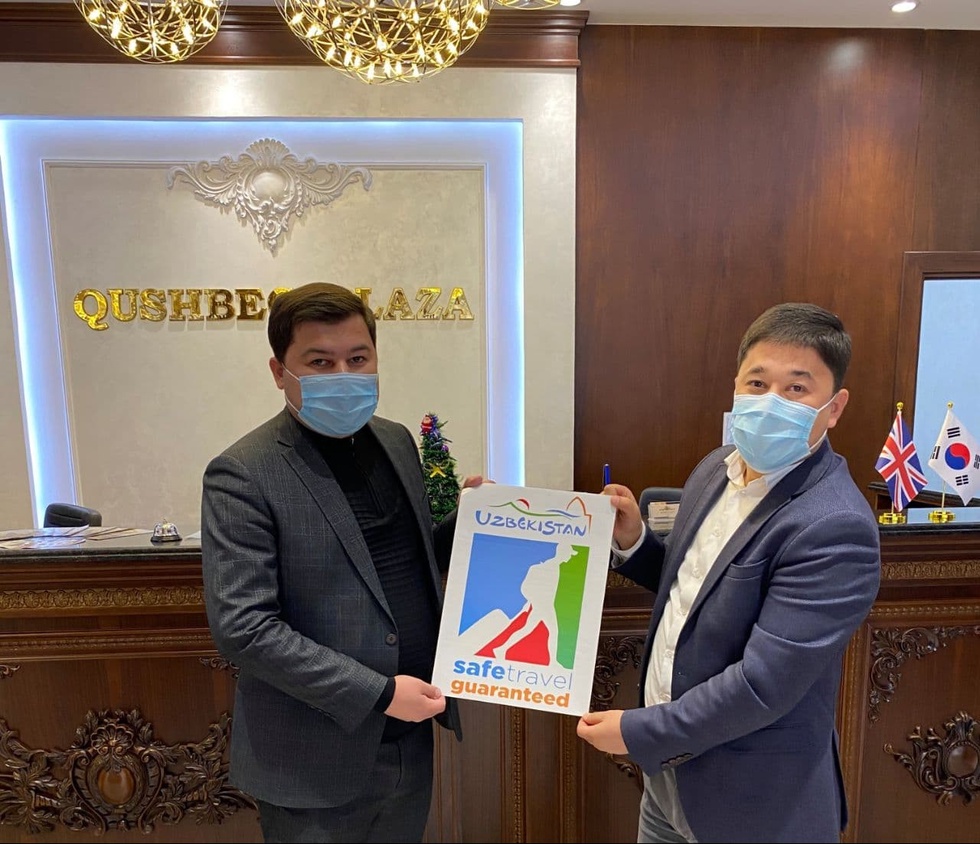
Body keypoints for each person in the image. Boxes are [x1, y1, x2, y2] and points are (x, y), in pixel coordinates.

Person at [577, 303, 881, 844]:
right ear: (735, 387)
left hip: (753, 802)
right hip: (669, 785)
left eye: (796, 388)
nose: (771, 402)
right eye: (757, 383)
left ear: (834, 407)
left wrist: (640, 731)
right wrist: (635, 541)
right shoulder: (715, 469)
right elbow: (697, 588)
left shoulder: (834, 526)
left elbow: (762, 685)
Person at [201, 282, 482, 843]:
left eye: (357, 359)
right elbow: (244, 628)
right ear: (279, 371)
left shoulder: (396, 441)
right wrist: (379, 694)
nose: (344, 375)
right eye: (320, 362)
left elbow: (405, 561)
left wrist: (474, 523)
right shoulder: (242, 473)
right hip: (312, 761)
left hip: (409, 741)